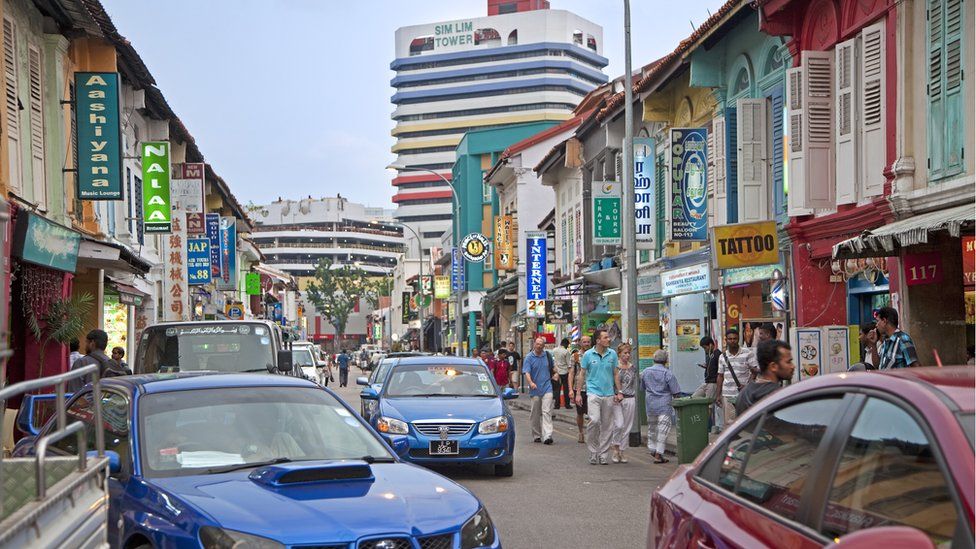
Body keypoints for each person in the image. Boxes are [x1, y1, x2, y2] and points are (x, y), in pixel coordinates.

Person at [579, 329, 617, 465]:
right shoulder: (588, 355)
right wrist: (578, 393)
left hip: (609, 393)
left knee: (607, 425)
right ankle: (593, 451)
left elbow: (615, 373)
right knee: (594, 420)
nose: (609, 339)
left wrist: (619, 391)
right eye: (606, 337)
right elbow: (582, 374)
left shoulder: (612, 354)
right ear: (598, 341)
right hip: (593, 392)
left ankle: (603, 454)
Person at [640, 350, 680, 464]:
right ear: (666, 360)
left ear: (653, 359)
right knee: (663, 430)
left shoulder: (646, 372)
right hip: (664, 405)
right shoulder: (668, 373)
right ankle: (658, 453)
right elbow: (676, 392)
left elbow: (642, 388)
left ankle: (652, 448)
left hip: (650, 405)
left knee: (652, 428)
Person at [735, 340, 794, 415]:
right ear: (773, 366)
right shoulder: (777, 395)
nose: (793, 366)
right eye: (788, 362)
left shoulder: (744, 392)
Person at [715, 328, 759, 428]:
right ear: (726, 340)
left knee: (745, 422)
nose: (732, 341)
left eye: (735, 338)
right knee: (730, 424)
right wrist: (718, 395)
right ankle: (731, 443)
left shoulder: (748, 353)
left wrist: (748, 386)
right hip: (728, 394)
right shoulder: (722, 357)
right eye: (730, 339)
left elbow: (754, 372)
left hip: (744, 395)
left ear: (738, 339)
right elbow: (720, 376)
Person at [523, 337, 554, 444]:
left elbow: (553, 368)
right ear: (534, 344)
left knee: (547, 412)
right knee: (535, 413)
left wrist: (556, 374)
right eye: (537, 344)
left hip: (547, 387)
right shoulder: (529, 357)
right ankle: (536, 435)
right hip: (535, 389)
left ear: (544, 346)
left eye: (541, 344)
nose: (539, 346)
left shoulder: (548, 356)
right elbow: (526, 372)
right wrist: (531, 383)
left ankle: (547, 435)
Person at [610, 343, 638, 464]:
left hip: (630, 398)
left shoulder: (633, 367)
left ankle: (622, 450)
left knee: (627, 426)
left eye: (628, 353)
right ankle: (615, 448)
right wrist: (615, 394)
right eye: (624, 353)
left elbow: (633, 383)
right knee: (619, 424)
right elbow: (611, 382)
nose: (627, 355)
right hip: (617, 398)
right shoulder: (615, 367)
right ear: (619, 354)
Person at [692, 336, 721, 432]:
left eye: (705, 347)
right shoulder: (710, 355)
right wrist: (706, 366)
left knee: (709, 406)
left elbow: (720, 371)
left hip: (713, 383)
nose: (705, 350)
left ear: (711, 345)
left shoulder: (717, 354)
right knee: (694, 398)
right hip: (706, 382)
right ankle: (697, 421)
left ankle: (702, 426)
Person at [569, 336, 590, 443]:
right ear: (580, 343)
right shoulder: (575, 356)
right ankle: (581, 432)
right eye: (584, 342)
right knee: (580, 413)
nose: (586, 344)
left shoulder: (593, 354)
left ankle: (592, 434)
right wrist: (570, 389)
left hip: (592, 388)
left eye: (588, 342)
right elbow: (571, 373)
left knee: (592, 413)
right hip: (579, 388)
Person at [551, 338, 572, 410]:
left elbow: (552, 360)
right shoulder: (566, 352)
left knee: (557, 389)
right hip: (564, 372)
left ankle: (557, 405)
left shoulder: (554, 350)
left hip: (556, 372)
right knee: (566, 389)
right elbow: (569, 363)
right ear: (566, 344)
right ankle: (567, 404)